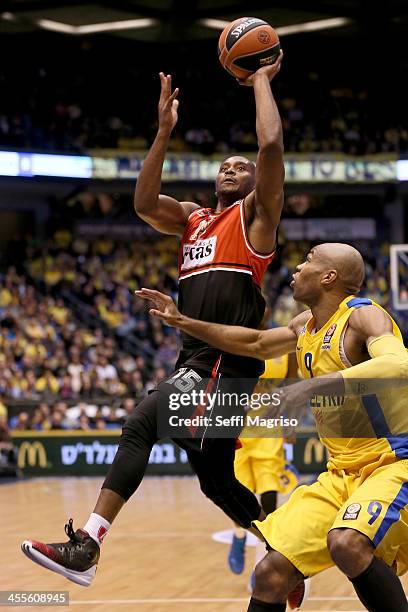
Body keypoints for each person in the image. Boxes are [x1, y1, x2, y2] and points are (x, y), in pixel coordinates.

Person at [21, 53, 288, 588]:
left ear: (257, 181)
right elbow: (144, 202)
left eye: (240, 166)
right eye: (224, 166)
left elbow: (271, 146)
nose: (230, 169)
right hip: (199, 360)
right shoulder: (192, 219)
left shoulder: (256, 219)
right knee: (216, 482)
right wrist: (163, 132)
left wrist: (259, 79)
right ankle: (288, 551)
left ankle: (87, 545)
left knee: (143, 420)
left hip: (222, 364)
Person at [135, 242, 408, 612]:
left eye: (309, 260)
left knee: (346, 543)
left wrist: (311, 386)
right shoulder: (304, 326)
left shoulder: (363, 316)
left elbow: (399, 365)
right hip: (340, 474)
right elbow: (257, 342)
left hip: (394, 463)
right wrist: (183, 322)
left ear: (329, 277)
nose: (297, 267)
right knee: (270, 573)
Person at [228, 356, 299, 585]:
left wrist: (291, 422)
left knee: (269, 499)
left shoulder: (286, 351)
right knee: (239, 497)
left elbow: (292, 385)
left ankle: (263, 564)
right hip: (237, 430)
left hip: (269, 429)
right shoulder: (234, 341)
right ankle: (238, 536)